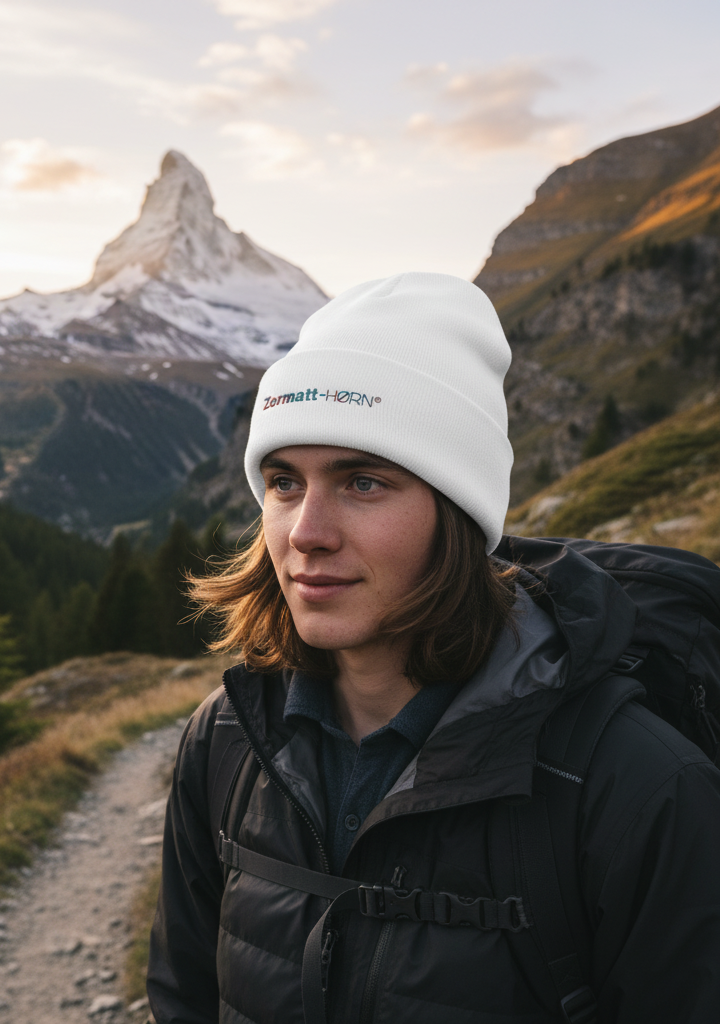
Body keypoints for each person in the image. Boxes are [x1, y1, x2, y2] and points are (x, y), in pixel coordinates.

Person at [146, 273, 720, 1023]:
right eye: (284, 483)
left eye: (363, 483)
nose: (306, 532)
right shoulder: (224, 738)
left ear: (457, 515)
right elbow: (183, 997)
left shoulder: (637, 785)